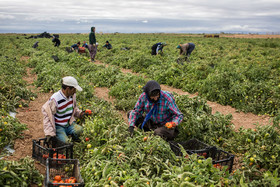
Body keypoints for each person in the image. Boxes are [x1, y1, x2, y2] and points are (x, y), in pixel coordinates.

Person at [42, 76, 88, 144]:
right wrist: (49, 133)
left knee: (80, 130)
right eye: (74, 89)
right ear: (68, 89)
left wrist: (80, 114)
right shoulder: (55, 100)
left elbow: (74, 108)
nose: (75, 91)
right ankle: (62, 139)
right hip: (59, 127)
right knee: (66, 143)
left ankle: (74, 140)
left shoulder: (72, 96)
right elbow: (47, 117)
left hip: (69, 123)